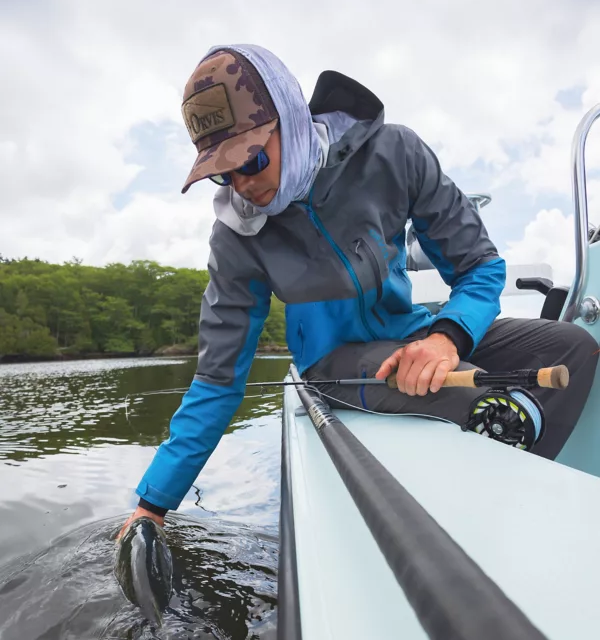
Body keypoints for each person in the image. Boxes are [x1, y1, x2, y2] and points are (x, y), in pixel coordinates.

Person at [122, 43, 598, 531]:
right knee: (486, 402)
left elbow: (479, 265)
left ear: (291, 118)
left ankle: (526, 506)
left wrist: (446, 337)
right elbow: (218, 380)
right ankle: (503, 521)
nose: (240, 185)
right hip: (337, 362)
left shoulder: (397, 153)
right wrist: (152, 504)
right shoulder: (236, 237)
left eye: (250, 160)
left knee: (575, 348)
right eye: (221, 173)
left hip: (417, 330)